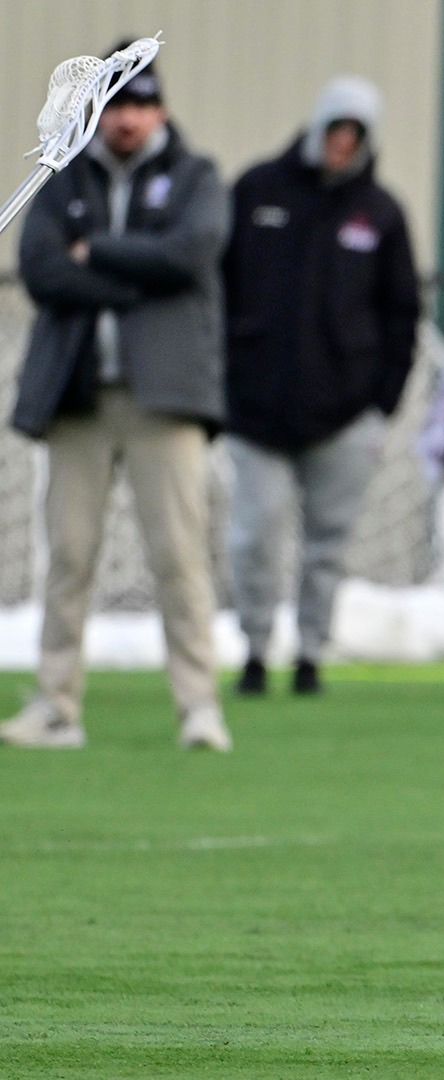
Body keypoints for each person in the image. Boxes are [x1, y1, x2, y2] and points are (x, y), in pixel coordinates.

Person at [0, 48, 231, 752]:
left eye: (139, 105)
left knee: (179, 556)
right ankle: (55, 705)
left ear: (158, 110)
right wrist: (134, 270)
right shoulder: (64, 177)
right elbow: (41, 270)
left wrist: (93, 252)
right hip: (78, 395)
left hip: (165, 396)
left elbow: (190, 256)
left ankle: (198, 706)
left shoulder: (194, 176)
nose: (127, 119)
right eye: (117, 105)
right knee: (68, 553)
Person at [223, 76, 420, 697]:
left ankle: (310, 654)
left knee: (326, 547)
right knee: (254, 535)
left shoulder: (381, 213)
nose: (342, 143)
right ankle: (254, 650)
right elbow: (215, 291)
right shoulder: (256, 190)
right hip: (255, 410)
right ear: (317, 129)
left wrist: (380, 404)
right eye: (335, 130)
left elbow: (402, 313)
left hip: (344, 416)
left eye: (354, 134)